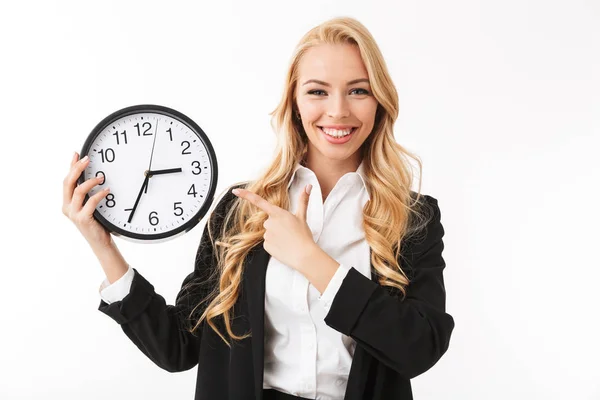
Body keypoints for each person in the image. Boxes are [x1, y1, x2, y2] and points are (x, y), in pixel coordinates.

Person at [62, 16, 454, 400]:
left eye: (358, 91)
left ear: (379, 102)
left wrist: (310, 258)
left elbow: (418, 349)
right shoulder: (242, 211)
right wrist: (103, 244)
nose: (337, 111)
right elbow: (179, 348)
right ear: (294, 102)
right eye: (318, 91)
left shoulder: (413, 218)